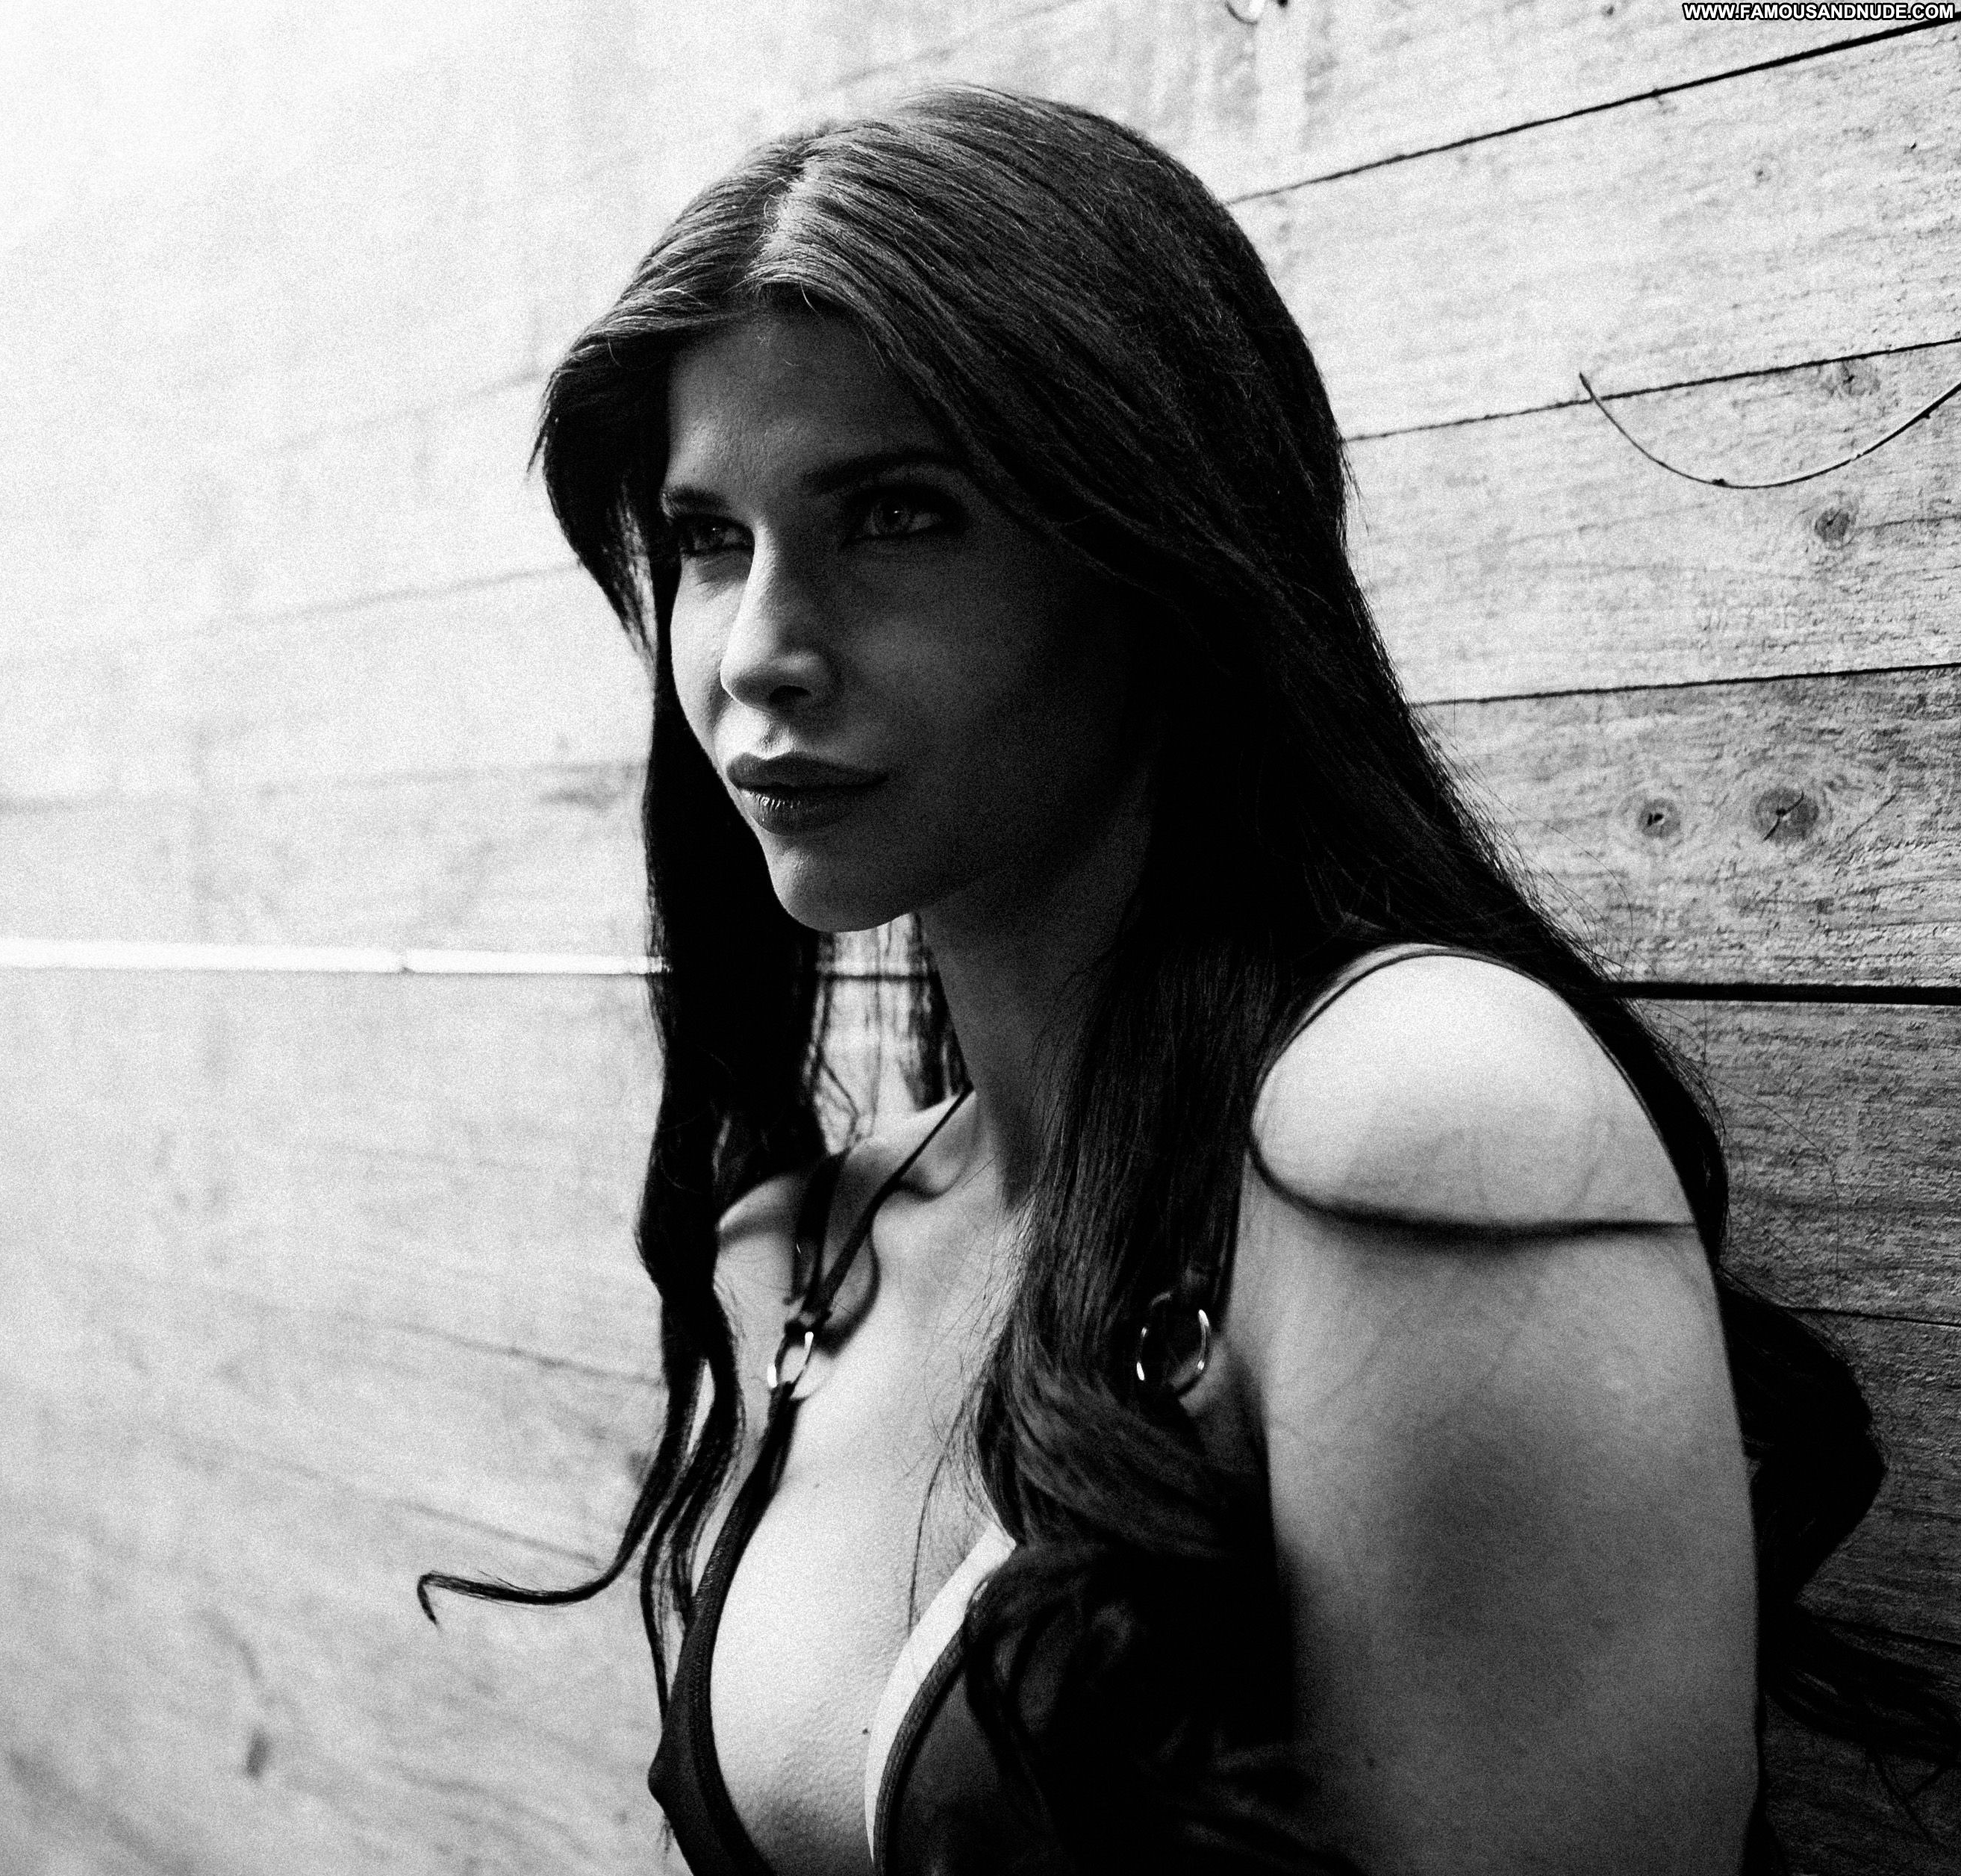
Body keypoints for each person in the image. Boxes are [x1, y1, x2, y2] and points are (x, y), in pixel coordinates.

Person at [422, 87, 1955, 1874]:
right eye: (708, 539)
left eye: (898, 514)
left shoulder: (1418, 1116)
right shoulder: (808, 1251)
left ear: (1155, 542)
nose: (758, 650)